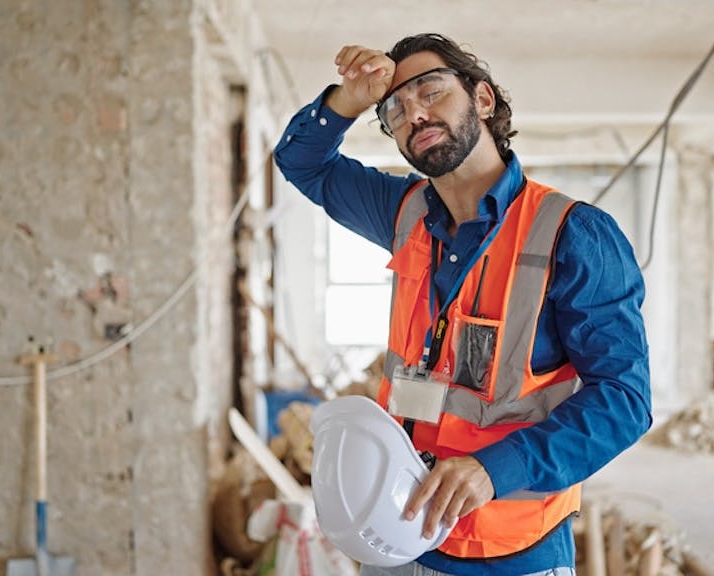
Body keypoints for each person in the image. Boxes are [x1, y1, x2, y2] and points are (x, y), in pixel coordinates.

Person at [275, 33, 652, 576]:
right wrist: (350, 99)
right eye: (395, 109)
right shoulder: (401, 212)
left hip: (511, 554)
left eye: (430, 90)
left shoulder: (573, 234)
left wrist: (495, 468)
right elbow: (301, 161)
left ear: (483, 100)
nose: (414, 113)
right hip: (396, 536)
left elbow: (624, 399)